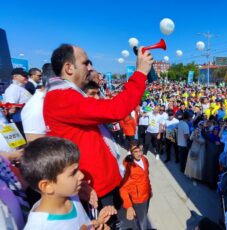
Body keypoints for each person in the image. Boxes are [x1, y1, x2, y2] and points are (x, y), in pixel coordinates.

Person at [43, 44, 152, 224]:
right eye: (85, 63)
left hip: (102, 185)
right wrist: (140, 73)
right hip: (98, 191)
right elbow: (115, 110)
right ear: (68, 68)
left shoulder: (66, 95)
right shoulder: (62, 97)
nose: (90, 67)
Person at [20, 137, 117, 229]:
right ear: (47, 186)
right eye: (73, 173)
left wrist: (98, 222)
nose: (81, 176)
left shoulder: (70, 196)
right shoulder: (40, 226)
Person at [119, 141, 152, 230]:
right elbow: (123, 188)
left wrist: (150, 190)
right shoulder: (128, 166)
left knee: (144, 215)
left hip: (147, 195)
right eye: (135, 152)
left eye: (140, 151)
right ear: (130, 152)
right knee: (142, 221)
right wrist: (129, 206)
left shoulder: (145, 160)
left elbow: (146, 176)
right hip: (138, 200)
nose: (139, 154)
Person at [3, 68, 32, 135]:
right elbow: (10, 107)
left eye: (27, 75)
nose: (26, 77)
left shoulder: (20, 88)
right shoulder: (13, 88)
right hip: (20, 122)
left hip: (25, 121)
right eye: (23, 75)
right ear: (15, 76)